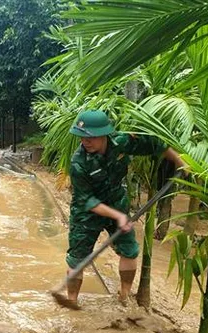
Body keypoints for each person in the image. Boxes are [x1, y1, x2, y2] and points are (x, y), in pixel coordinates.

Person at [64, 110, 187, 306]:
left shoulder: (121, 142)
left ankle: (124, 295)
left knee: (129, 251)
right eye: (81, 137)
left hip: (116, 203)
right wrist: (118, 217)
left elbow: (155, 145)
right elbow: (86, 200)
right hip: (86, 214)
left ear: (104, 134)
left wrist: (180, 162)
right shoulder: (79, 162)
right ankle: (71, 301)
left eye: (90, 138)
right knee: (77, 260)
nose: (84, 142)